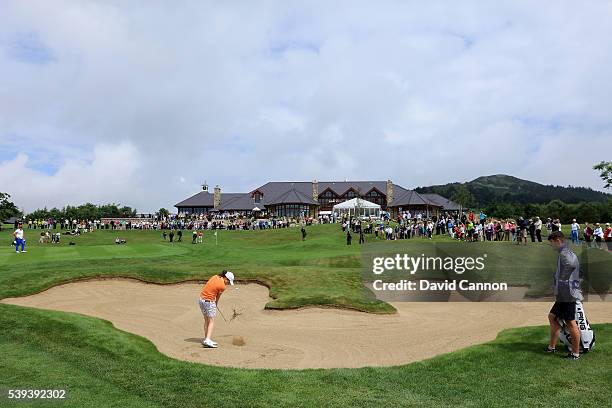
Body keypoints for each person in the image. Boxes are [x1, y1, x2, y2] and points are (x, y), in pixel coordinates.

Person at [544, 231, 583, 359]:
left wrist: (562, 280)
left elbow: (571, 266)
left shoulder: (565, 252)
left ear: (558, 240)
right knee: (552, 316)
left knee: (570, 322)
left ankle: (575, 353)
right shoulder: (565, 252)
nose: (551, 246)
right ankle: (552, 347)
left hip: (568, 293)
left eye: (552, 243)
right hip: (565, 293)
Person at [198, 270, 235, 348]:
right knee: (211, 321)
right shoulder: (222, 286)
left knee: (206, 320)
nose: (228, 283)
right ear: (226, 278)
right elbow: (217, 297)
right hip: (209, 302)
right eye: (228, 281)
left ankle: (206, 339)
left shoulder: (214, 276)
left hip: (201, 300)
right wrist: (215, 304)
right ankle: (207, 340)